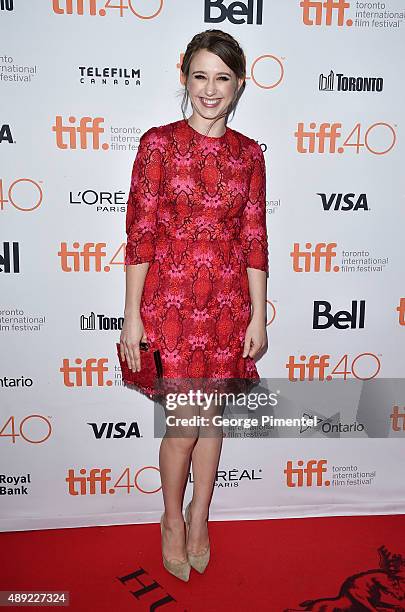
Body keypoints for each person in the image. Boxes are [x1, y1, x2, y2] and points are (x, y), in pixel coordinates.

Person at [119, 29, 269, 582]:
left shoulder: (249, 154)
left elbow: (255, 237)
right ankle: (170, 521)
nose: (210, 89)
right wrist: (132, 314)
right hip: (171, 308)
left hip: (227, 307)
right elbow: (140, 234)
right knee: (185, 427)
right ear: (185, 78)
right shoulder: (157, 144)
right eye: (200, 76)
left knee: (212, 426)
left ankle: (200, 517)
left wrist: (258, 313)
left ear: (239, 85)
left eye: (222, 78)